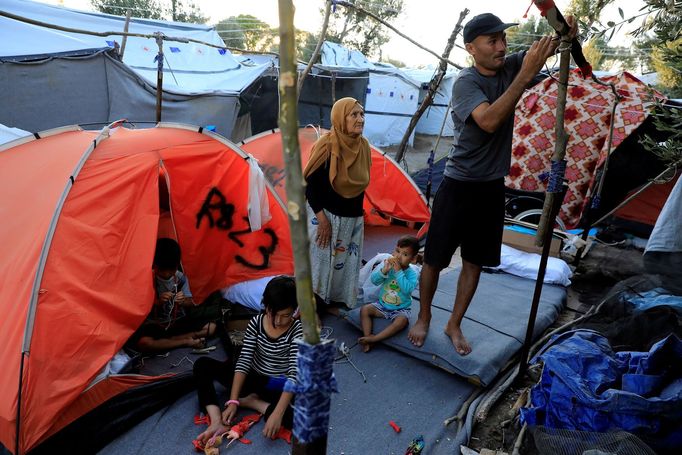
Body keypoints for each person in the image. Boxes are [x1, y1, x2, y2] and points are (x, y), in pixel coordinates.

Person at [407, 13, 578, 355]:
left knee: (474, 262)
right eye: (492, 41)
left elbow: (550, 47)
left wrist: (566, 33)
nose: (502, 47)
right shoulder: (465, 83)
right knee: (435, 260)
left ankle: (454, 323)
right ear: (471, 48)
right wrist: (525, 74)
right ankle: (424, 316)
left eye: (503, 38)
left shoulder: (510, 65)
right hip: (458, 184)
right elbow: (488, 121)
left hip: (491, 188)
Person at [193, 276, 303, 445]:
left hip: (276, 384)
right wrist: (233, 401)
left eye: (286, 315)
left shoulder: (297, 331)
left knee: (300, 418)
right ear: (266, 306)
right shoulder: (256, 323)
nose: (279, 321)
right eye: (273, 314)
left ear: (295, 311)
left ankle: (256, 403)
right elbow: (243, 361)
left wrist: (277, 413)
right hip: (252, 377)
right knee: (202, 365)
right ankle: (216, 419)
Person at [303, 97, 372, 311]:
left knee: (345, 265)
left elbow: (360, 187)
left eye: (361, 114)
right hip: (324, 215)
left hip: (352, 217)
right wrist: (322, 220)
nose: (360, 119)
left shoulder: (364, 146)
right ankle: (312, 309)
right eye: (354, 114)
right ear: (341, 118)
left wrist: (356, 222)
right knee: (319, 265)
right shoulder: (326, 145)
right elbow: (311, 185)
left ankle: (333, 302)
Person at [133, 238, 216, 353]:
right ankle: (185, 341)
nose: (167, 274)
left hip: (178, 321)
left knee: (211, 327)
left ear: (177, 265)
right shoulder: (147, 278)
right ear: (154, 265)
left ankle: (169, 341)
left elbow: (191, 302)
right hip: (157, 324)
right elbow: (138, 307)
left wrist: (183, 301)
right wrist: (158, 302)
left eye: (171, 270)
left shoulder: (181, 278)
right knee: (144, 343)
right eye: (162, 270)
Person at [358, 235, 420, 352]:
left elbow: (407, 289)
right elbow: (374, 281)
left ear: (413, 259)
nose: (398, 256)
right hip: (382, 304)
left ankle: (375, 339)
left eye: (405, 254)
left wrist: (398, 272)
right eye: (397, 251)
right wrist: (383, 271)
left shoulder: (412, 273)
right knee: (365, 310)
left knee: (402, 322)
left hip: (400, 309)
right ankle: (368, 336)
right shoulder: (388, 267)